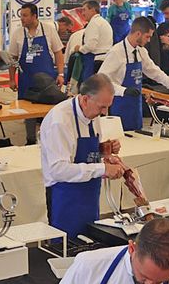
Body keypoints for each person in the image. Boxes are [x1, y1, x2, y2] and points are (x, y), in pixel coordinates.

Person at [40, 74, 125, 236]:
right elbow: (58, 170)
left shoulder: (91, 113)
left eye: (108, 107)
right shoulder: (60, 121)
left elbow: (81, 151)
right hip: (65, 198)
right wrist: (102, 169)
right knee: (67, 250)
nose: (104, 112)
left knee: (90, 241)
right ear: (85, 99)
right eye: (102, 107)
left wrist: (104, 150)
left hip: (89, 195)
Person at [98, 17, 169, 137]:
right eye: (147, 36)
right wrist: (124, 90)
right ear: (138, 33)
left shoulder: (141, 52)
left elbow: (156, 73)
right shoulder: (116, 52)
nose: (149, 41)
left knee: (137, 140)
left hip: (136, 107)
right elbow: (102, 80)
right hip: (119, 106)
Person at [7, 2, 64, 92]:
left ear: (34, 16)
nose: (22, 19)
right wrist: (12, 79)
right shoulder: (17, 33)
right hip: (26, 81)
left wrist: (61, 74)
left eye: (25, 15)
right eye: (21, 15)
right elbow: (13, 58)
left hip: (47, 81)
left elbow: (58, 52)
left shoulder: (49, 30)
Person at [76, 0, 114, 76]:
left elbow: (90, 46)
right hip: (105, 60)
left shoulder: (94, 23)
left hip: (95, 62)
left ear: (93, 10)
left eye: (84, 10)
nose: (82, 13)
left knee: (91, 87)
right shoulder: (103, 22)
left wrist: (79, 48)